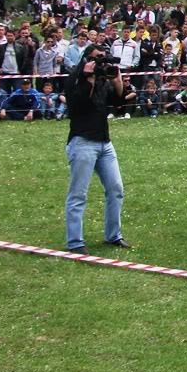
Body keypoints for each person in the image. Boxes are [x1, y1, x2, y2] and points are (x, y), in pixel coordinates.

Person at [63, 44, 128, 254]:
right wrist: (88, 79)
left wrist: (118, 82)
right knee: (78, 194)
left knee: (116, 189)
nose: (102, 62)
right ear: (86, 58)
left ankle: (113, 235)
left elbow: (117, 104)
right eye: (97, 58)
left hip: (104, 142)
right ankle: (75, 242)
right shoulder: (74, 78)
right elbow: (78, 105)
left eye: (104, 58)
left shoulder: (102, 79)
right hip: (82, 141)